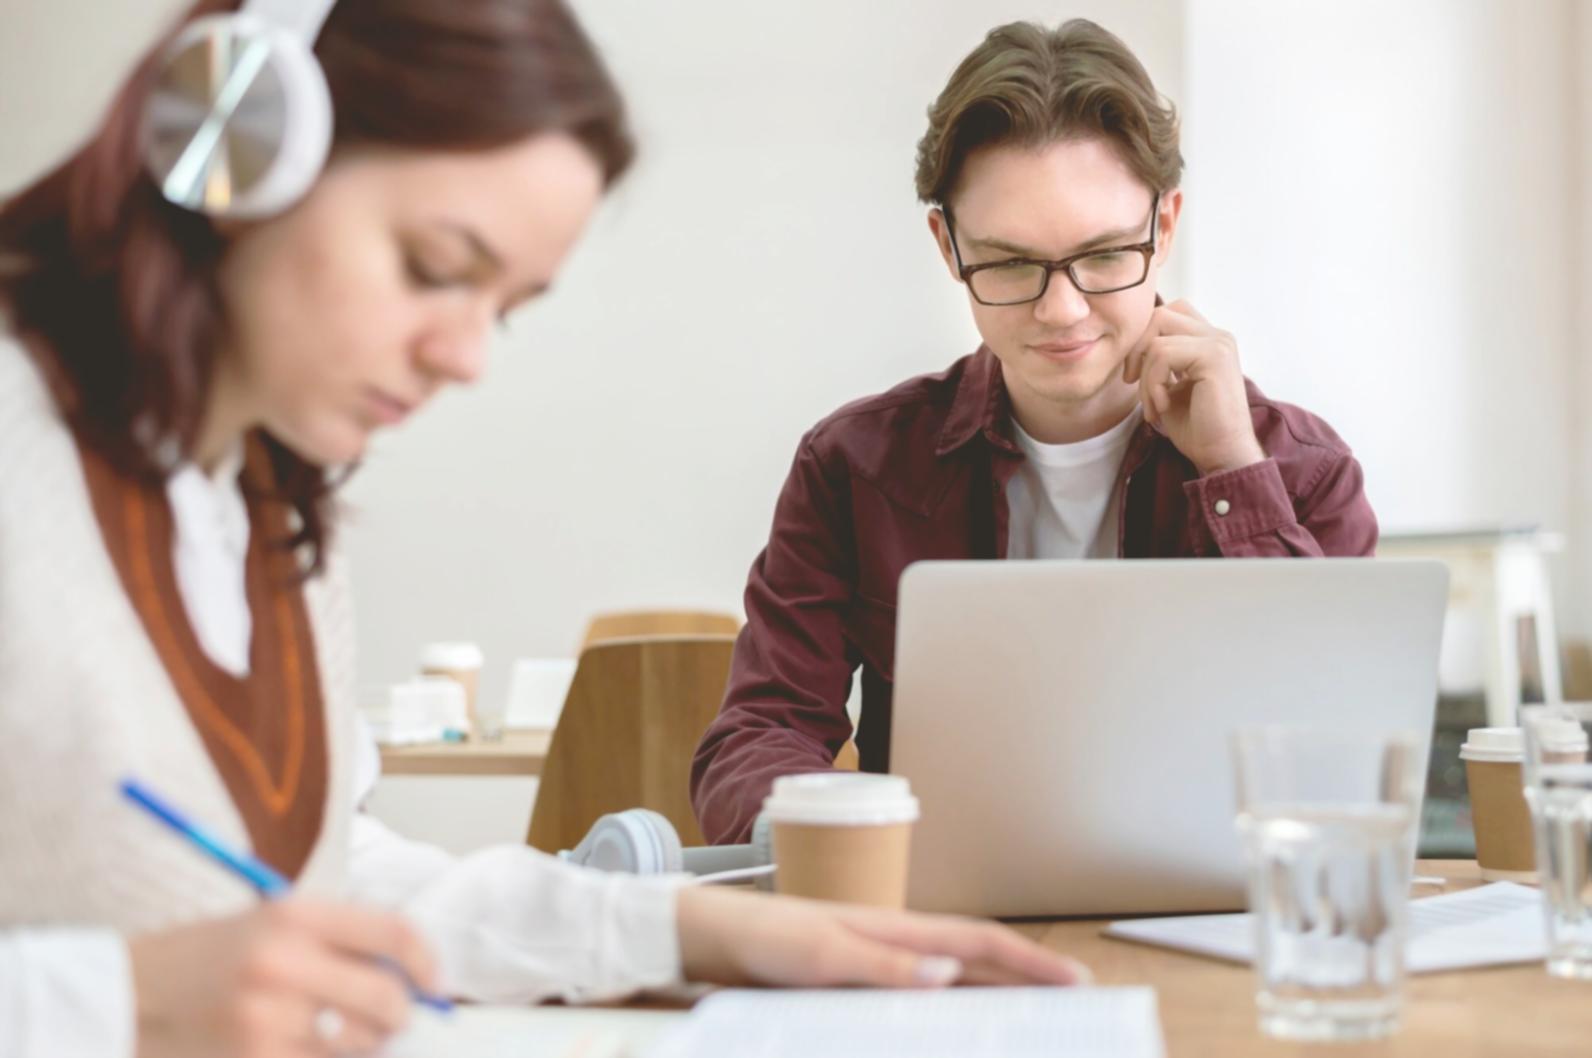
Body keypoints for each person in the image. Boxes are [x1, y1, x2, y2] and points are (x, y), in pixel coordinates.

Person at [0, 3, 1088, 1056]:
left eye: (505, 306)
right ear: (238, 149)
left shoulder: (265, 504)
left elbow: (331, 880)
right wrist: (111, 1005)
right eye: (434, 266)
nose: (467, 356)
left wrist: (698, 927)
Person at [691, 18, 1379, 845]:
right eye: (1012, 263)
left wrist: (1235, 470)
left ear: (1163, 229)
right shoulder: (853, 468)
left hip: (1221, 928)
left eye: (1102, 255)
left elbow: (1341, 760)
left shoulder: (1305, 474)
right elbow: (757, 734)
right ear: (948, 246)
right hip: (941, 931)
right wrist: (834, 845)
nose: (1062, 310)